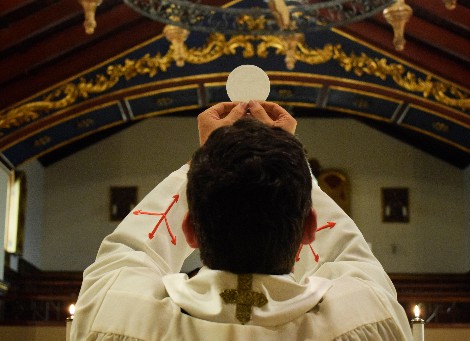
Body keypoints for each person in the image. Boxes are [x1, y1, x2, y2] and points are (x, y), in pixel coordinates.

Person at [71, 101, 413, 340]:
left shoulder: (119, 319)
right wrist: (285, 154)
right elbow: (347, 253)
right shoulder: (367, 318)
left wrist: (205, 155)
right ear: (310, 227)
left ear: (189, 230)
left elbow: (130, 250)